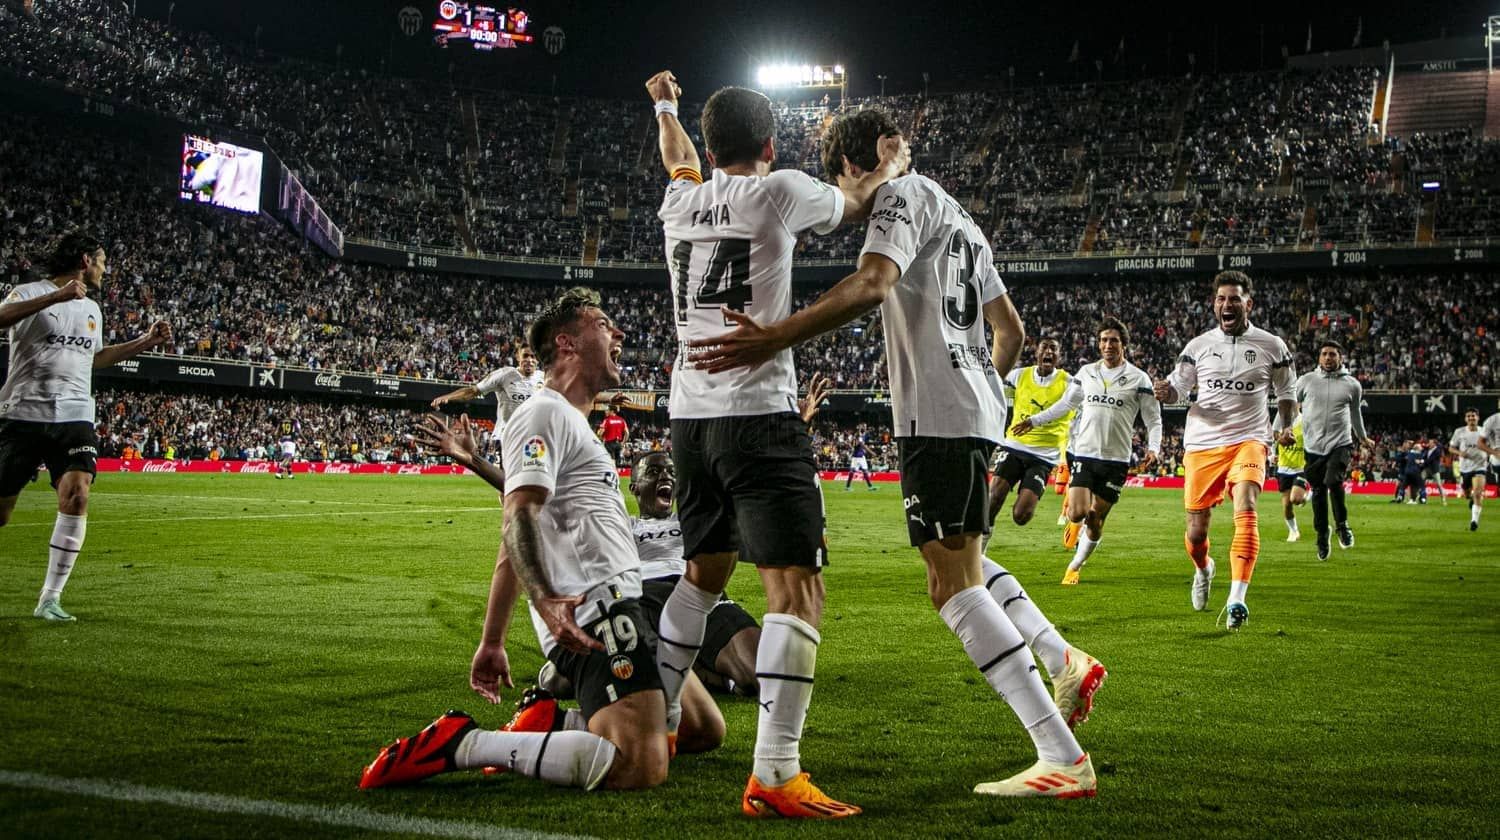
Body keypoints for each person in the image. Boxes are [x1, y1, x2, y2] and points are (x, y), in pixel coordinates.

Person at [687, 106, 1102, 798]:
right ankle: (1060, 659)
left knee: (952, 587)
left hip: (937, 415)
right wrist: (979, 389)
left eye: (846, 178)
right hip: (973, 411)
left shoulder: (901, 196)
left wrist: (775, 336)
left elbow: (874, 282)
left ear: (853, 164)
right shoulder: (959, 215)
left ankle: (1060, 754)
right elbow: (1011, 331)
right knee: (966, 566)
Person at [646, 69, 906, 819]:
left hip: (690, 421)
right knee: (797, 589)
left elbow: (675, 158)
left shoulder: (679, 201)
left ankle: (664, 719)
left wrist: (665, 108)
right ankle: (775, 772)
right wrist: (886, 164)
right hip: (758, 413)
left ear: (711, 148)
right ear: (769, 145)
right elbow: (856, 202)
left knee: (701, 575)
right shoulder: (779, 191)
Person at [361, 288, 723, 793]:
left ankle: (551, 723)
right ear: (567, 343)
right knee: (641, 765)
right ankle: (462, 744)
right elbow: (518, 517)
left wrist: (493, 640)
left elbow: (515, 538)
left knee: (704, 729)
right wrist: (546, 601)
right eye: (604, 324)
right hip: (594, 610)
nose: (619, 332)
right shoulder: (543, 414)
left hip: (625, 601)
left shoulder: (573, 423)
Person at [0, 232, 171, 621]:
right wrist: (54, 298)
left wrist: (144, 342)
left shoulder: (92, 309)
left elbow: (95, 358)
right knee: (2, 513)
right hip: (23, 413)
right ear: (84, 261)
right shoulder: (30, 292)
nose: (105, 270)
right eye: (102, 262)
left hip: (75, 416)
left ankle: (50, 598)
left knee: (77, 494)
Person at [1153, 271, 1297, 631]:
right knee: (1196, 533)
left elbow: (1287, 394)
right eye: (1221, 299)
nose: (1227, 304)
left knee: (1246, 505)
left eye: (1234, 298)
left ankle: (1237, 599)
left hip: (1250, 439)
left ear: (1249, 303)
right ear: (1214, 304)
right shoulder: (1198, 346)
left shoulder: (1272, 346)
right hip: (1203, 443)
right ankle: (1204, 569)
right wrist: (1167, 392)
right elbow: (1179, 388)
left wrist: (1285, 428)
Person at [1009, 317, 1162, 584]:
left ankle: (1075, 565)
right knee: (1077, 513)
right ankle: (1073, 523)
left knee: (1095, 519)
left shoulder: (1139, 379)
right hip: (1085, 454)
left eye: (1113, 340)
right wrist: (1034, 420)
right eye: (1103, 340)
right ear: (1098, 344)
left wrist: (1154, 448)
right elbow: (1065, 405)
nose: (1108, 345)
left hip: (1116, 460)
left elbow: (1153, 419)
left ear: (1123, 345)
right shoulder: (1086, 373)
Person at [985, 338, 1073, 537]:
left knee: (1021, 515)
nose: (1048, 351)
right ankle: (980, 548)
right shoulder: (1018, 375)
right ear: (1036, 353)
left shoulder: (1068, 383)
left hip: (1044, 457)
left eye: (1053, 348)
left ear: (1059, 356)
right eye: (1044, 348)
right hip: (1014, 446)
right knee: (994, 496)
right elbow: (997, 396)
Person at [1293, 340, 1372, 559]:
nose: (1328, 358)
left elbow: (1355, 414)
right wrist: (1280, 430)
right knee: (1318, 491)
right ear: (1319, 357)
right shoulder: (1306, 381)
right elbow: (1289, 406)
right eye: (1324, 354)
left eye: (1332, 354)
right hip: (1313, 446)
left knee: (1333, 481)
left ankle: (1342, 525)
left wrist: (1362, 437)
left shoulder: (1352, 385)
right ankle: (1322, 534)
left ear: (1340, 358)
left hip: (1340, 443)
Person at [431, 345, 544, 447]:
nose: (529, 360)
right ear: (518, 357)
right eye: (525, 356)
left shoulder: (544, 378)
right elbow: (473, 391)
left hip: (533, 439)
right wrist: (448, 397)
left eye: (533, 356)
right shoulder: (504, 375)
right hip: (507, 437)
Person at [1450, 410, 1489, 531]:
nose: (1471, 418)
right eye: (1469, 416)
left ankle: (1474, 521)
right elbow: (1451, 448)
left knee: (1477, 493)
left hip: (1480, 466)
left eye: (1473, 416)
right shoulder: (1459, 432)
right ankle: (1471, 498)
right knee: (1467, 494)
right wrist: (1459, 452)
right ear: (1465, 419)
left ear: (1478, 417)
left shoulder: (1485, 431)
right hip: (1465, 467)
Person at [1271, 420, 1309, 542]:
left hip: (1300, 468)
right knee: (1287, 506)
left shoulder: (1305, 421)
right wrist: (1272, 455)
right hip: (1283, 469)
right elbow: (1272, 440)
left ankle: (1305, 496)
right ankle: (1293, 531)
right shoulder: (1280, 423)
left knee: (1295, 499)